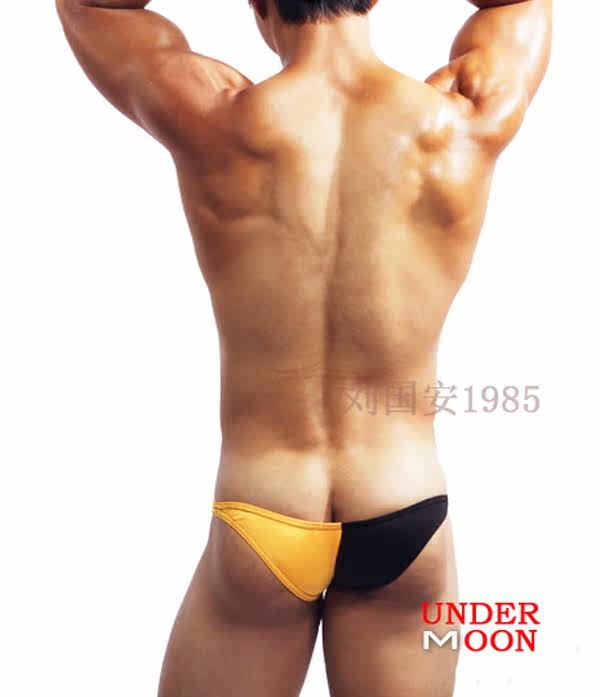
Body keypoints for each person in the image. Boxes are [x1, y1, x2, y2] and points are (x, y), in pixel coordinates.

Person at [56, 0, 553, 695]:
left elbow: (91, 6)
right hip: (404, 504)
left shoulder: (215, 119)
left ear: (259, 5)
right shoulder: (464, 117)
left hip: (264, 509)